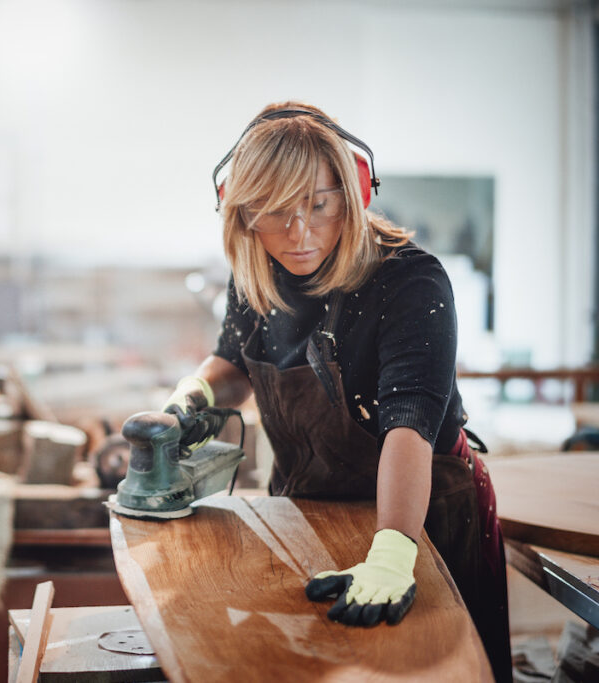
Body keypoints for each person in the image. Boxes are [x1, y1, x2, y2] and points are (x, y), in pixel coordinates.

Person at [163, 101, 511, 682]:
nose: (298, 234)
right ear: (242, 213)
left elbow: (407, 426)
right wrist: (193, 395)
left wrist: (395, 552)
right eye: (274, 213)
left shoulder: (410, 281)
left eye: (319, 206)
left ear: (354, 193)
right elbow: (233, 362)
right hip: (308, 507)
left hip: (422, 515)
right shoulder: (258, 271)